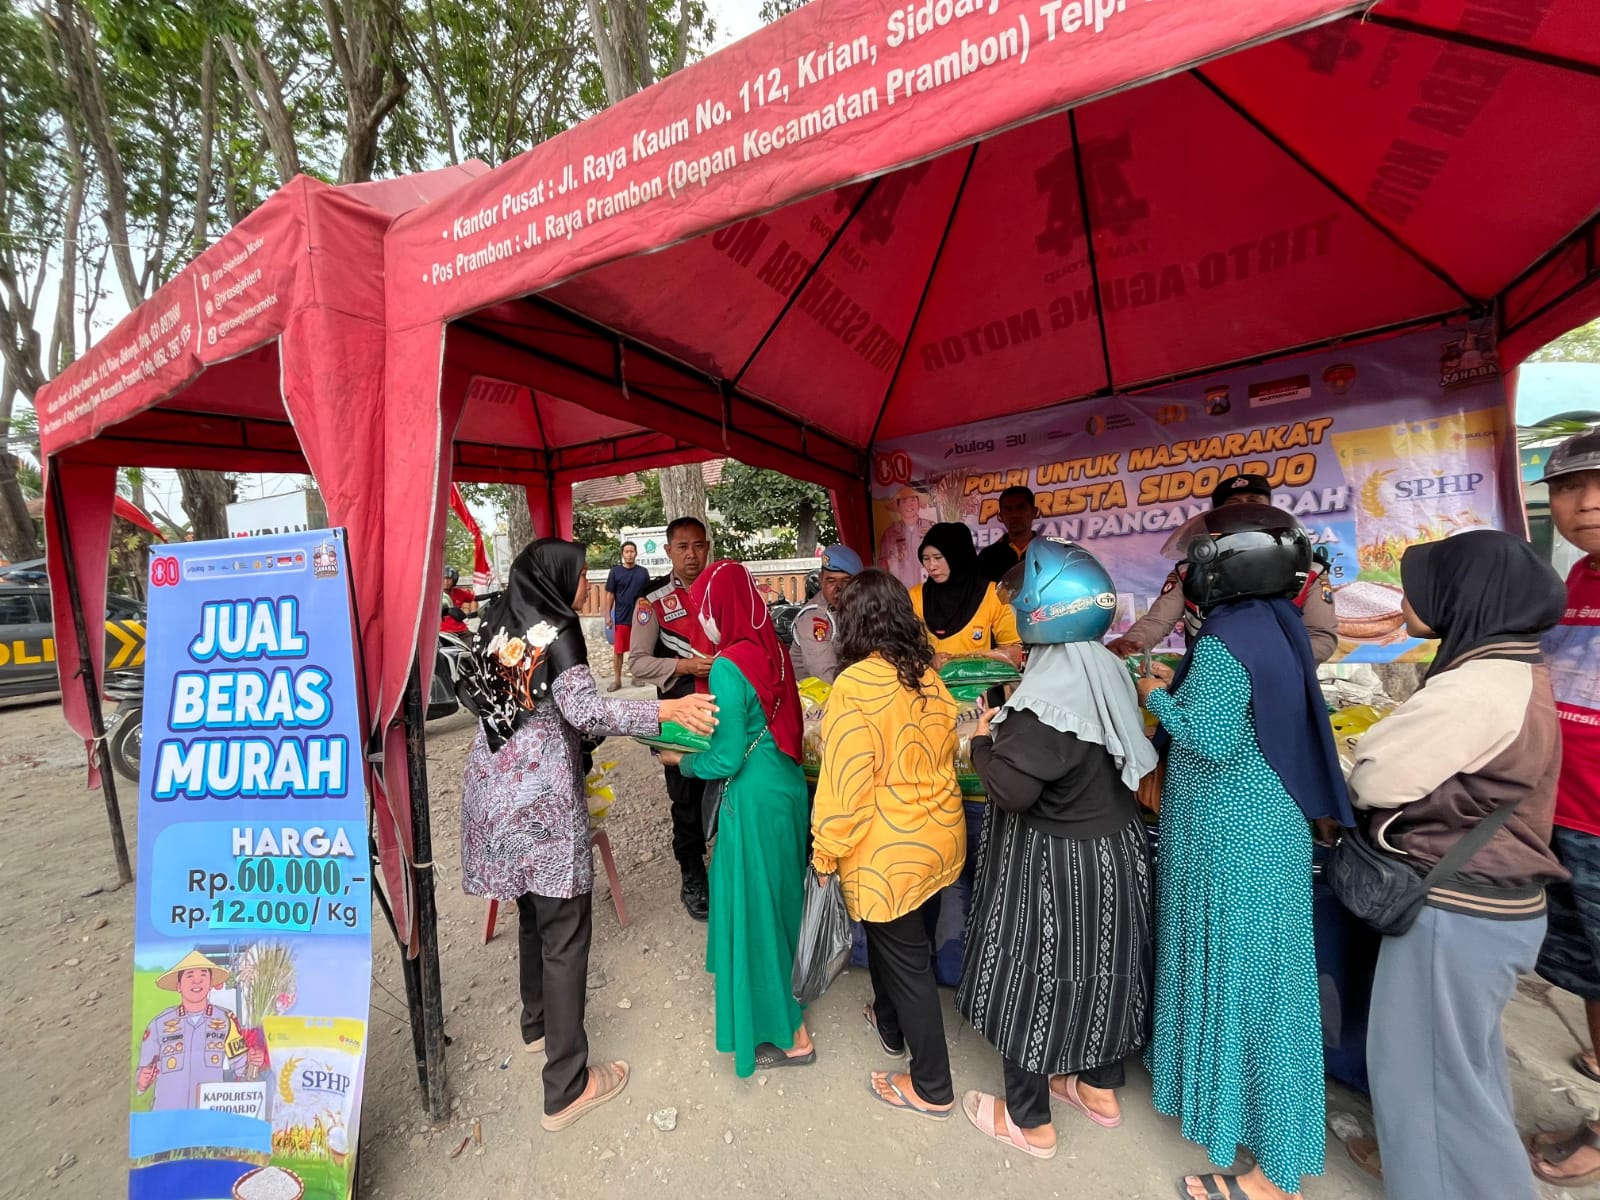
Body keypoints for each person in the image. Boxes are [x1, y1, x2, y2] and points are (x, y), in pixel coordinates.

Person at [459, 538, 717, 1131]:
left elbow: (498, 698)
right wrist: (664, 711)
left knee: (533, 911)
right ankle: (566, 1087)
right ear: (556, 578)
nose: (587, 586)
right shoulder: (560, 628)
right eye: (581, 575)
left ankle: (536, 1025)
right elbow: (587, 712)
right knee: (566, 932)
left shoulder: (498, 619)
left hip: (492, 791)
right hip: (541, 802)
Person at [1137, 504, 1353, 1200]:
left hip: (1232, 836)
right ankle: (1231, 1114)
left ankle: (1274, 1174)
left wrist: (1157, 696)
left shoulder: (1228, 638)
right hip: (1261, 827)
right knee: (1261, 981)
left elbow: (1212, 736)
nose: (1191, 570)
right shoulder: (1278, 623)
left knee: (1253, 990)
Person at [1343, 531, 1567, 1200]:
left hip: (1459, 909)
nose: (1407, 600)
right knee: (1460, 1076)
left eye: (1422, 586)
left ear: (1464, 596)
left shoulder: (1478, 686)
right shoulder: (1514, 668)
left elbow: (1377, 778)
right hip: (1492, 904)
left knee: (1431, 1086)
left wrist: (1361, 757)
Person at [957, 538, 1156, 1159]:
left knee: (1033, 976)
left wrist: (980, 741)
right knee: (1106, 973)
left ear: (1038, 616)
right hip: (1115, 853)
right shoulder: (1105, 669)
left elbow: (1011, 791)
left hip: (1059, 865)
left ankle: (1030, 1121)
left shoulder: (1045, 704)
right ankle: (1097, 1087)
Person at [812, 568, 964, 1120]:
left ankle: (932, 1087)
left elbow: (845, 787)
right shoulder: (927, 675)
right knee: (904, 943)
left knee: (908, 963)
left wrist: (824, 851)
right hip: (939, 838)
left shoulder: (854, 686)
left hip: (888, 854)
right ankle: (890, 1023)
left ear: (851, 623)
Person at [658, 560, 814, 1077]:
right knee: (781, 902)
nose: (701, 619)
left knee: (755, 911)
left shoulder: (727, 664)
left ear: (717, 608)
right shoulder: (775, 650)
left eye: (703, 609)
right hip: (786, 786)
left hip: (751, 797)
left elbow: (724, 758)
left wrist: (680, 760)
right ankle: (789, 997)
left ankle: (791, 1035)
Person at [1523, 431, 1600, 1188]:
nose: (1588, 503)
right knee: (1586, 970)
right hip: (1563, 811)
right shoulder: (1576, 579)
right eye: (1571, 488)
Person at [1109, 473, 1338, 663]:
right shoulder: (1191, 570)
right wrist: (1130, 644)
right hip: (1207, 683)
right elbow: (1158, 621)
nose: (1245, 509)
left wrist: (1263, 664)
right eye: (1233, 505)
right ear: (1217, 516)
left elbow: (1321, 636)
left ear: (1270, 508)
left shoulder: (1307, 568)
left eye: (1254, 501)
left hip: (1279, 682)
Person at [628, 517, 718, 920]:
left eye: (698, 546)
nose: (691, 555)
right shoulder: (652, 601)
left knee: (730, 786)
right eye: (682, 547)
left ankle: (730, 864)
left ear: (707, 547)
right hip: (680, 715)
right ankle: (692, 871)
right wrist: (685, 667)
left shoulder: (722, 591)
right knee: (686, 796)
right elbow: (638, 663)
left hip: (725, 708)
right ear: (668, 551)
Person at [136, 951, 265, 1111]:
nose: (197, 981)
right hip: (168, 1115)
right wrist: (142, 1082)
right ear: (178, 986)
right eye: (190, 975)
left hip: (207, 1114)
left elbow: (243, 1070)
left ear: (210, 983)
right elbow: (142, 1075)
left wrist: (254, 1063)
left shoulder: (226, 1020)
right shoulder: (159, 1023)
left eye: (203, 975)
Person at [909, 523, 1023, 667]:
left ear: (958, 556)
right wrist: (929, 660)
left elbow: (1016, 652)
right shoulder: (915, 597)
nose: (932, 566)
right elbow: (903, 648)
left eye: (938, 557)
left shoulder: (993, 595)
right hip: (931, 681)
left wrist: (974, 659)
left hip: (981, 680)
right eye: (926, 559)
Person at [789, 544, 863, 683]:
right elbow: (825, 677)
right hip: (820, 692)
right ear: (821, 579)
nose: (838, 589)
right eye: (831, 581)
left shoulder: (862, 607)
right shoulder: (814, 619)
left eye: (846, 581)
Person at [602, 541, 651, 692]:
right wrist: (608, 616)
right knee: (618, 651)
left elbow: (648, 594)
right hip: (621, 617)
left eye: (632, 551)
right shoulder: (615, 572)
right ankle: (617, 680)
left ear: (636, 553)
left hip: (639, 618)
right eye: (626, 552)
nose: (629, 554)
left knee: (636, 650)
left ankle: (636, 676)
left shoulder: (643, 572)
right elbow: (610, 595)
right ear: (622, 554)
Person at [974, 485, 1041, 584]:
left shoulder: (1050, 551)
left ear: (1034, 512)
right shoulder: (987, 557)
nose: (1014, 515)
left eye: (1021, 507)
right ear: (1001, 516)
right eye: (1008, 509)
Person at [877, 485, 933, 589]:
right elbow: (882, 565)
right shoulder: (890, 533)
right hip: (900, 590)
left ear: (918, 504)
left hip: (928, 588)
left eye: (913, 500)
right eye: (904, 501)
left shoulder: (931, 528)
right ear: (898, 507)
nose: (909, 504)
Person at [440, 564, 476, 634]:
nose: (446, 581)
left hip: (462, 629)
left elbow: (475, 598)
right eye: (444, 578)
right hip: (442, 631)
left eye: (449, 579)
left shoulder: (460, 593)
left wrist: (492, 594)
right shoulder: (433, 595)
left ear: (454, 579)